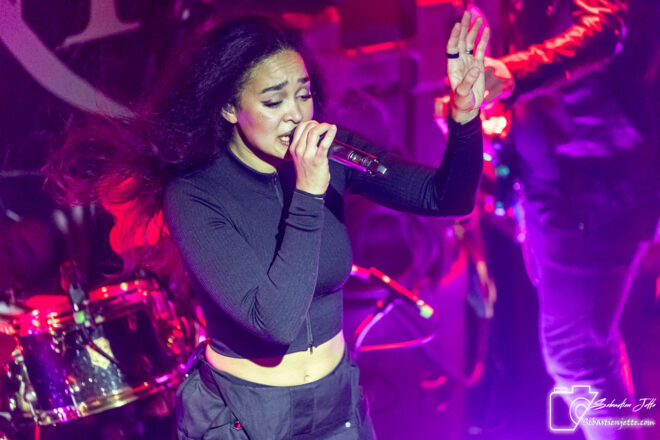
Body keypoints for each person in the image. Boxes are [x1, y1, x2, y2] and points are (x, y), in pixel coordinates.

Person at [47, 12, 488, 440]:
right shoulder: (195, 194)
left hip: (337, 403)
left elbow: (446, 197)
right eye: (274, 102)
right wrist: (309, 194)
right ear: (229, 108)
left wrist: (465, 117)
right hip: (248, 415)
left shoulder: (330, 153)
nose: (296, 114)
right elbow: (275, 323)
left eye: (304, 94)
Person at [477, 0, 659, 438]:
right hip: (556, 182)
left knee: (579, 357)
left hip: (597, 184)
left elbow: (603, 29)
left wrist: (510, 75)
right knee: (585, 352)